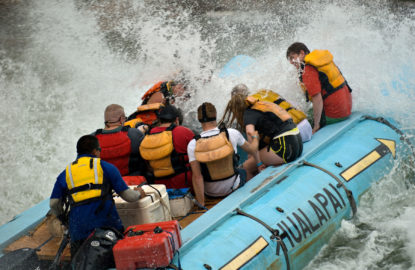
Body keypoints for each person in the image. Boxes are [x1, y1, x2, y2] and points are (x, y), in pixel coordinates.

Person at [50, 135, 146, 257]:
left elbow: (53, 203)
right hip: (106, 231)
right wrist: (139, 193)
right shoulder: (106, 167)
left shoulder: (66, 173)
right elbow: (129, 197)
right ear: (95, 151)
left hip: (78, 233)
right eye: (99, 150)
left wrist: (63, 220)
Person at [187, 102, 260, 207]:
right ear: (216, 116)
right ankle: (248, 200)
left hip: (210, 193)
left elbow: (197, 177)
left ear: (199, 120)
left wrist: (202, 204)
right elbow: (252, 150)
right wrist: (255, 138)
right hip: (233, 186)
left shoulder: (193, 143)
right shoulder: (231, 133)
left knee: (197, 174)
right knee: (243, 170)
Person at [221, 93, 303, 178]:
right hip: (297, 142)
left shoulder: (248, 114)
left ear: (237, 111)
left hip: (286, 148)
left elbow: (250, 135)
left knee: (246, 166)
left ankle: (252, 190)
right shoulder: (260, 105)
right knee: (255, 158)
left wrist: (258, 163)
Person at [286, 42, 352, 133]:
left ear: (301, 53)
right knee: (307, 112)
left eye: (292, 57)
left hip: (335, 114)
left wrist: (316, 125)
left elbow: (317, 98)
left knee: (299, 120)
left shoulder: (308, 69)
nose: (291, 62)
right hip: (347, 108)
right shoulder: (322, 61)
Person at [231, 84, 312, 142]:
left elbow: (253, 135)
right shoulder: (264, 93)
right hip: (307, 126)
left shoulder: (249, 109)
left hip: (295, 136)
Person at [139, 105, 195, 189]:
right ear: (177, 120)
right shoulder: (183, 131)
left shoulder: (148, 135)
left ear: (160, 120)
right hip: (184, 183)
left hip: (160, 186)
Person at [93, 104, 145, 176]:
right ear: (121, 119)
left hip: (104, 183)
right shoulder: (134, 134)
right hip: (132, 181)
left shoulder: (92, 138)